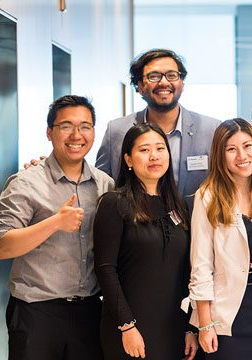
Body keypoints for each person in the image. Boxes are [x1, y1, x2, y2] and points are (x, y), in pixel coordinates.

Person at [0, 95, 114, 360]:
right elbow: (3, 247)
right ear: (50, 132)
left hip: (90, 312)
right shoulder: (25, 182)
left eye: (85, 126)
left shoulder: (105, 184)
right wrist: (55, 222)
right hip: (36, 312)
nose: (76, 135)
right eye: (66, 126)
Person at [94, 123, 197, 360]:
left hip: (173, 327)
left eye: (160, 148)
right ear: (128, 160)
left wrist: (191, 327)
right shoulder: (114, 203)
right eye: (144, 150)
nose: (154, 156)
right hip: (130, 328)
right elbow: (105, 269)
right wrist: (126, 326)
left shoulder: (179, 206)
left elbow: (187, 271)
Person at [188, 118, 252, 360]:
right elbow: (201, 265)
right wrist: (205, 325)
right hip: (225, 315)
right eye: (231, 149)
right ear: (221, 155)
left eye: (248, 146)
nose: (242, 155)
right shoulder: (208, 196)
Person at [96, 48, 220, 208]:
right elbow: (103, 185)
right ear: (140, 86)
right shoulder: (117, 130)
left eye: (172, 75)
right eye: (154, 76)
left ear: (182, 83)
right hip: (135, 229)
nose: (163, 82)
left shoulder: (211, 130)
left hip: (193, 230)